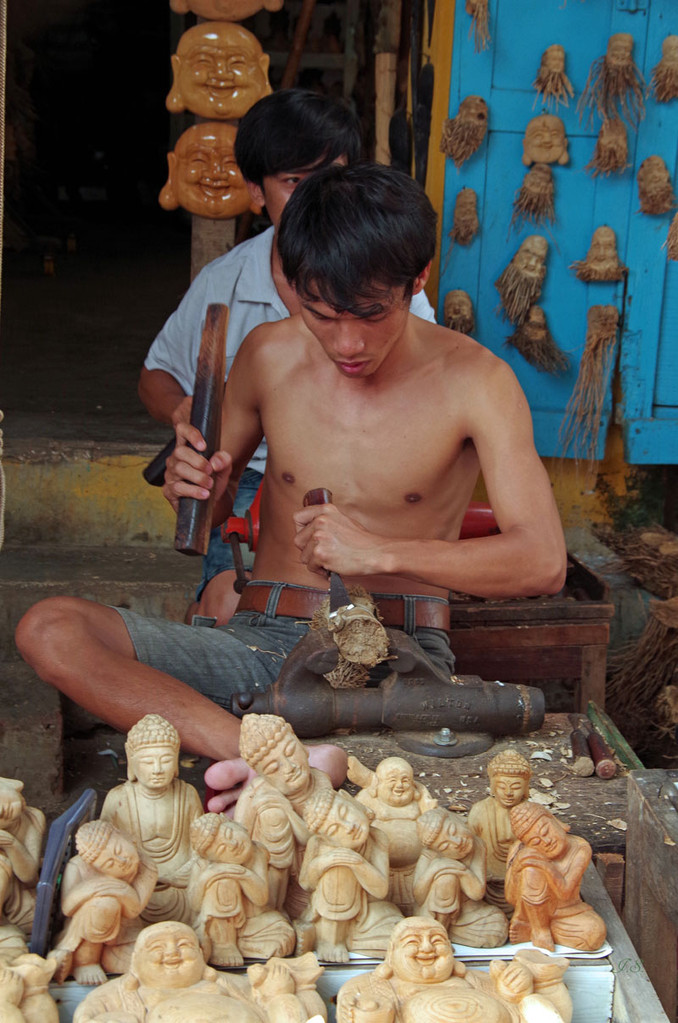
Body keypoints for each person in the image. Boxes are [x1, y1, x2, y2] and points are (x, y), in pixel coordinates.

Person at [15, 163, 567, 815]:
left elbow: (542, 561)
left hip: (397, 654)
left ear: (417, 279)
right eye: (323, 315)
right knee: (50, 628)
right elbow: (210, 513)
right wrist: (198, 488)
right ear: (291, 283)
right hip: (259, 642)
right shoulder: (268, 355)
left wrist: (380, 553)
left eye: (371, 313)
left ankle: (263, 749)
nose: (348, 343)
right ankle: (272, 759)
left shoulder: (479, 383)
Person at [140, 88, 436, 623]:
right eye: (294, 181)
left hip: (360, 476)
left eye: (329, 176)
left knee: (358, 620)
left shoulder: (389, 283)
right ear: (256, 191)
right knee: (229, 604)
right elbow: (154, 375)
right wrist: (183, 408)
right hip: (250, 476)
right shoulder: (224, 283)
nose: (313, 196)